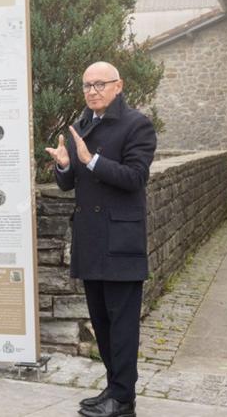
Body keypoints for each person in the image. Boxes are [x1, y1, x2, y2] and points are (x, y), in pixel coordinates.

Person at [45, 62, 157, 417]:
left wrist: (91, 160)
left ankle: (123, 399)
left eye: (99, 84)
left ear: (118, 86)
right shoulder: (80, 126)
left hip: (121, 241)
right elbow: (68, 184)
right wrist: (65, 164)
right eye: (86, 85)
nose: (92, 91)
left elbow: (136, 177)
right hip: (91, 241)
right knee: (102, 323)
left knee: (122, 325)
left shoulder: (137, 124)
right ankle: (114, 389)